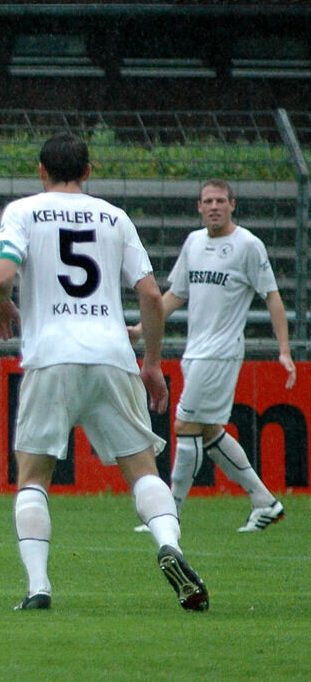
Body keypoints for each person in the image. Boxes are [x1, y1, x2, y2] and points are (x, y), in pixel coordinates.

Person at [0, 133, 208, 612]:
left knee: (33, 476)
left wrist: (1, 304)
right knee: (142, 470)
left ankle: (39, 587)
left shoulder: (24, 212)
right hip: (111, 355)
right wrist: (150, 363)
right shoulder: (114, 217)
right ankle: (169, 545)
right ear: (89, 171)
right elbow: (151, 297)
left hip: (51, 357)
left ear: (41, 171)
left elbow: (0, 275)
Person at [130, 179, 296, 533]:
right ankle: (265, 502)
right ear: (199, 207)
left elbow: (272, 297)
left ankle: (169, 513)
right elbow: (176, 294)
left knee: (184, 425)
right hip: (196, 352)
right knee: (208, 431)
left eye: (221, 200)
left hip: (220, 354)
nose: (214, 206)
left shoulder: (248, 245)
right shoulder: (193, 242)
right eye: (208, 201)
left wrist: (284, 349)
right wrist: (142, 330)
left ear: (232, 205)